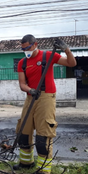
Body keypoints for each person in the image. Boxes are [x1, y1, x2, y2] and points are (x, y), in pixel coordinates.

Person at [14, 34, 76, 174]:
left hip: (46, 97)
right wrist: (31, 90)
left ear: (35, 44)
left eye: (28, 48)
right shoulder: (22, 63)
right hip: (31, 97)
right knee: (23, 133)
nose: (26, 51)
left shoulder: (47, 56)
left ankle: (43, 170)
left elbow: (71, 64)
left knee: (43, 135)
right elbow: (22, 84)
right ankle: (26, 163)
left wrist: (66, 50)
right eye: (23, 49)